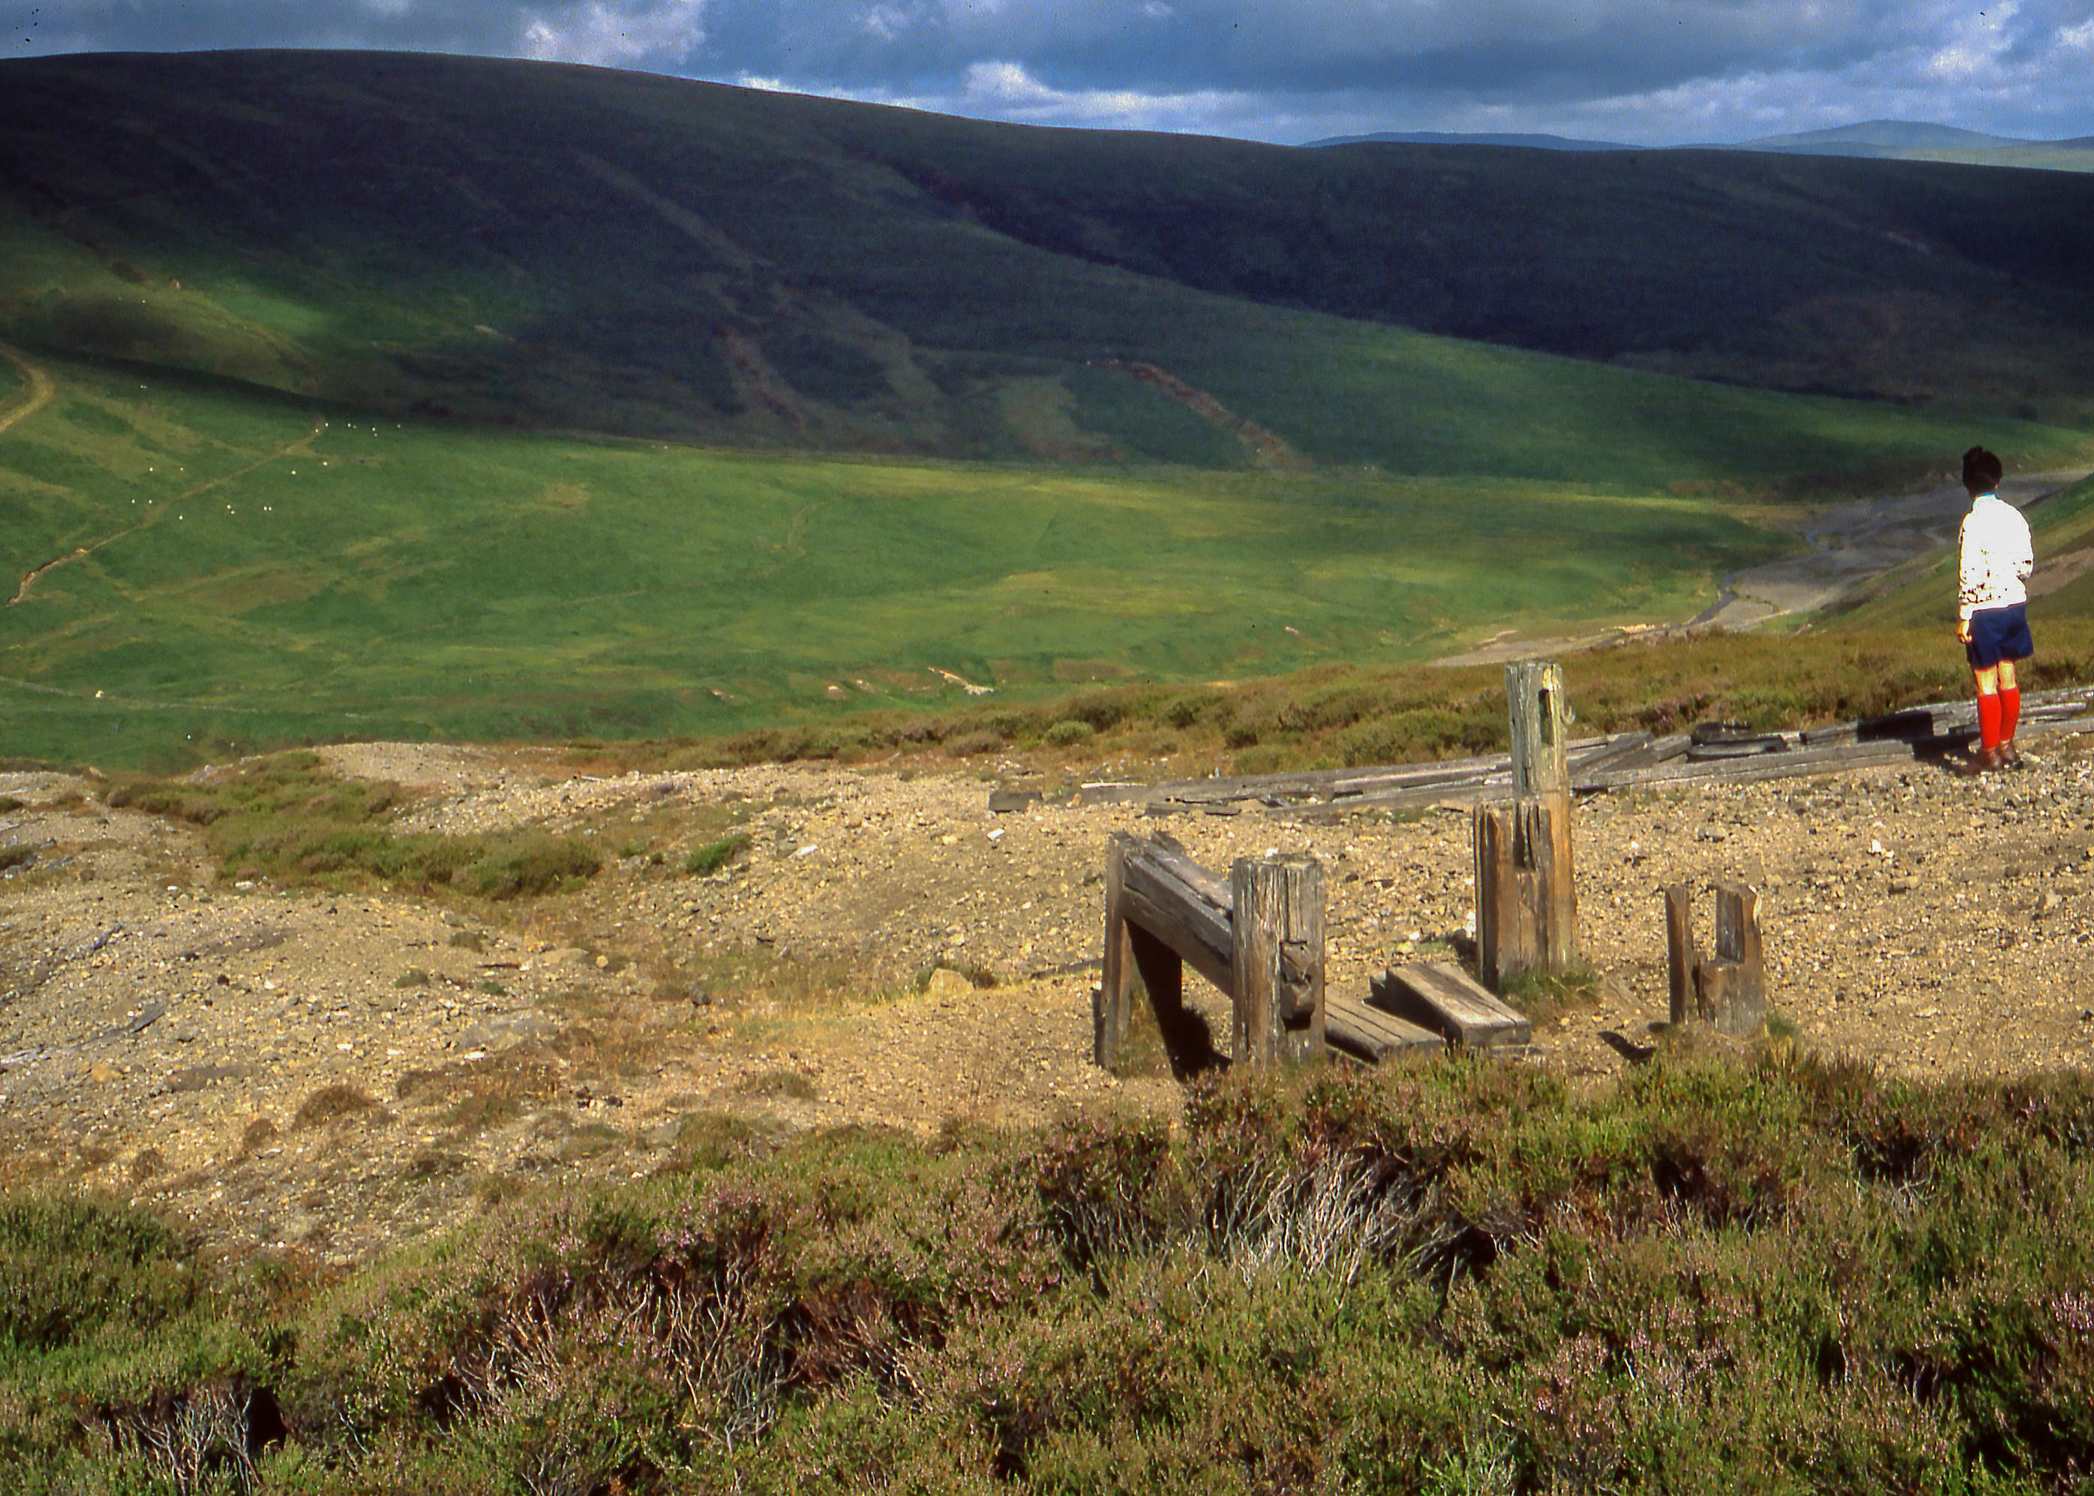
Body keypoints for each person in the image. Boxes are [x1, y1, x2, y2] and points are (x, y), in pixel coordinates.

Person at [1953, 445, 2034, 775]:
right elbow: (2026, 565)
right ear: (1998, 481)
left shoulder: (1972, 522)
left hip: (1984, 609)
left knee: (1985, 682)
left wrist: (1964, 613)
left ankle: (1988, 752)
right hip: (2014, 603)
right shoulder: (2015, 516)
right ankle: (2007, 745)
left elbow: (1969, 573)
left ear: (1967, 485)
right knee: (2008, 676)